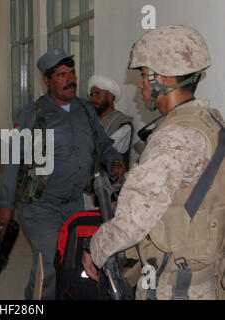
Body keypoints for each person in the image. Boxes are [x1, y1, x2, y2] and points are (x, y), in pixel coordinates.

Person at [82, 25, 225, 300]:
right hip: (205, 275)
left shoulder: (174, 137)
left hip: (174, 285)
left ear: (165, 78)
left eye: (144, 75)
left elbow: (134, 220)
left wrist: (95, 248)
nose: (140, 84)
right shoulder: (211, 121)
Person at [0, 48, 125, 300]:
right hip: (40, 205)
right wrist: (5, 203)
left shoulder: (87, 110)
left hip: (76, 203)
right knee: (51, 262)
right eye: (62, 75)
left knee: (74, 263)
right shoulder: (31, 114)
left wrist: (115, 160)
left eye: (72, 73)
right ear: (46, 80)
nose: (70, 80)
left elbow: (103, 144)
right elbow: (14, 160)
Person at [88, 75, 133, 169]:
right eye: (91, 95)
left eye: (97, 94)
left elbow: (106, 152)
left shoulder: (123, 123)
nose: (93, 99)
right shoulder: (91, 121)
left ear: (111, 96)